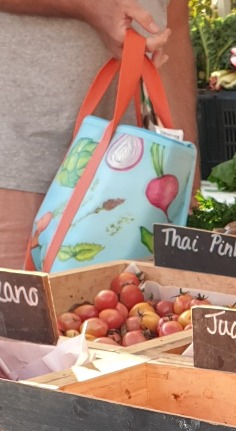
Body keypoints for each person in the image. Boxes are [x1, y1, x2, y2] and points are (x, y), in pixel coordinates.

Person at [0, 0, 199, 268]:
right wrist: (87, 6)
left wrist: (186, 165)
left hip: (129, 175)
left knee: (121, 305)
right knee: (22, 307)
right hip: (19, 158)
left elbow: (174, 25)